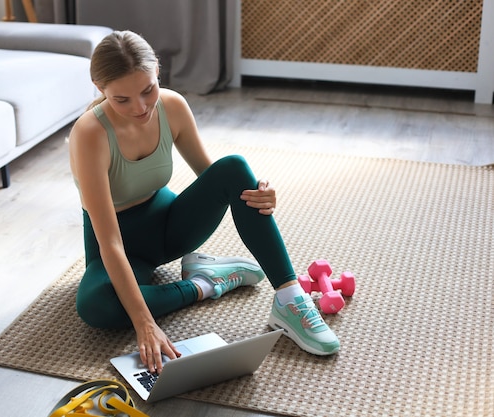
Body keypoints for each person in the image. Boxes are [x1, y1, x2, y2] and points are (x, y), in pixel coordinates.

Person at [69, 30, 340, 374]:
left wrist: (255, 193)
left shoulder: (172, 106)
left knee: (236, 168)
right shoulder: (90, 133)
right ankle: (206, 283)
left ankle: (290, 298)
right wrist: (145, 323)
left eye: (148, 90)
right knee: (97, 307)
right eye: (122, 100)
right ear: (99, 86)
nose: (140, 107)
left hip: (169, 228)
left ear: (157, 72)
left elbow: (215, 179)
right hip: (118, 244)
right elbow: (109, 241)